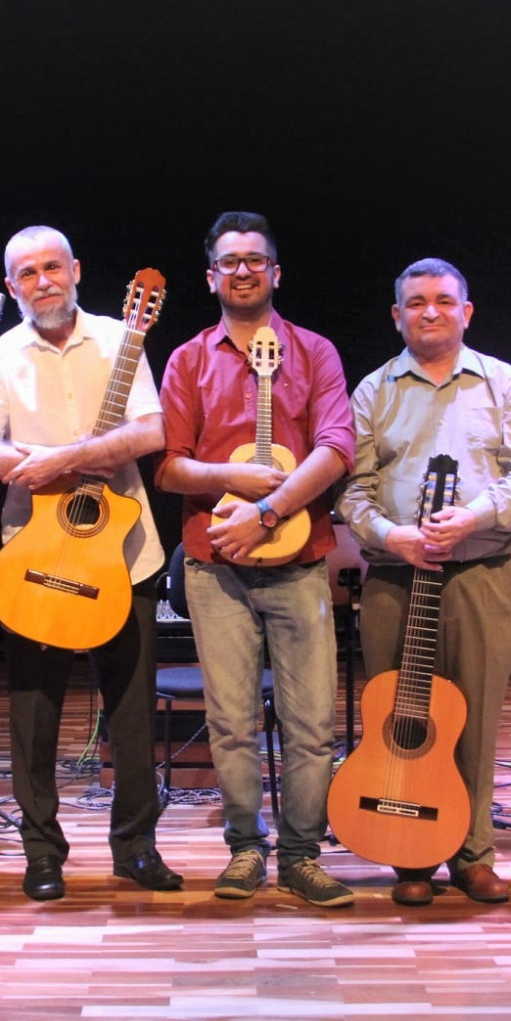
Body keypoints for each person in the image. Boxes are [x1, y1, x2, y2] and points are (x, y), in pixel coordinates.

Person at [0, 225, 181, 901]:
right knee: (33, 711)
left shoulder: (122, 340)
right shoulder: (0, 357)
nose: (42, 281)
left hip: (125, 557)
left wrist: (73, 456)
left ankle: (135, 848)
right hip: (34, 556)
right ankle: (41, 853)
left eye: (52, 267)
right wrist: (44, 463)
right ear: (10, 286)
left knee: (133, 711)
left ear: (76, 271)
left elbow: (151, 431)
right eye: (26, 273)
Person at [155, 211, 355, 907]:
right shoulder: (186, 360)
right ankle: (245, 848)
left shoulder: (315, 353)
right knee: (231, 722)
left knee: (311, 724)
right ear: (210, 276)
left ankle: (301, 854)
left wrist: (266, 512)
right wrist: (231, 484)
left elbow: (335, 449)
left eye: (256, 259)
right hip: (217, 566)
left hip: (298, 563)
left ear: (276, 272)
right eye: (229, 260)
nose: (243, 269)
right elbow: (170, 469)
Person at [338, 259, 511, 906]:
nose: (430, 311)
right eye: (416, 302)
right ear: (396, 314)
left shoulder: (502, 384)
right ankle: (409, 854)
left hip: (480, 574)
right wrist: (390, 535)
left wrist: (474, 518)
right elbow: (351, 487)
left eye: (443, 301)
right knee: (401, 722)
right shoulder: (372, 391)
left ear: (466, 311)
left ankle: (472, 852)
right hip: (396, 578)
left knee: (474, 720)